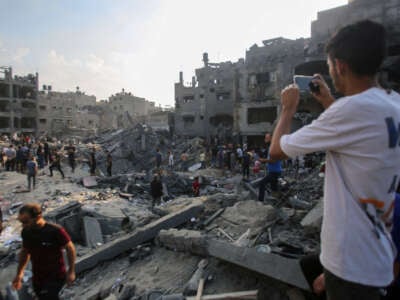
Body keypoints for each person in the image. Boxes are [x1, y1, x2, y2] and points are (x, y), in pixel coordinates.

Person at [269, 20, 400, 299]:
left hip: (351, 264)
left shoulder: (348, 112)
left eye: (330, 67)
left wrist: (287, 109)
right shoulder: (393, 104)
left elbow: (276, 151)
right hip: (378, 250)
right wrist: (328, 100)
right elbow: (355, 132)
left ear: (339, 66)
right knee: (309, 266)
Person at [12, 203, 76, 299]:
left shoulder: (55, 231)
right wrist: (19, 274)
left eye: (26, 221)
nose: (23, 225)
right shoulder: (26, 232)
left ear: (38, 217)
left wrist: (71, 271)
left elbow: (70, 248)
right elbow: (25, 252)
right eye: (22, 222)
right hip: (38, 279)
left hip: (56, 277)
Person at [258, 133, 282, 201]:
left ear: (271, 138)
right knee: (274, 189)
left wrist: (263, 160)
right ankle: (277, 202)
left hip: (274, 172)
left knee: (262, 183)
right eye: (265, 137)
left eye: (267, 138)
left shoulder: (273, 147)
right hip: (273, 171)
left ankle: (260, 202)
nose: (265, 139)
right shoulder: (271, 147)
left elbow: (273, 161)